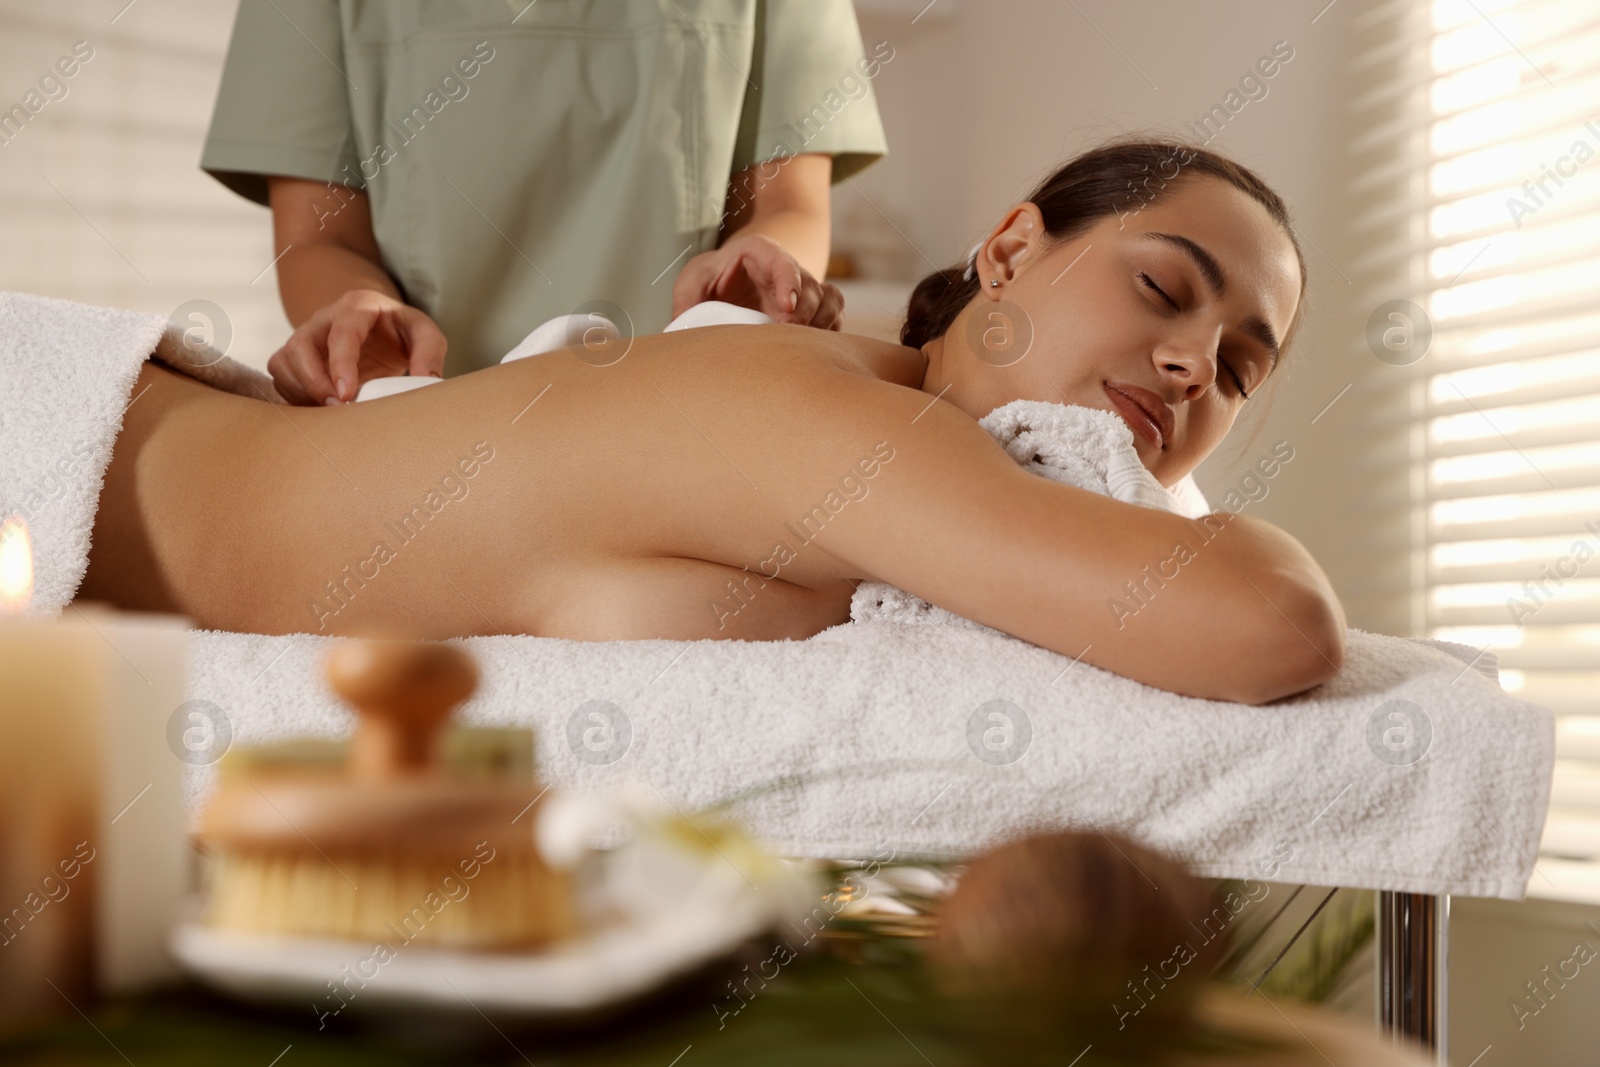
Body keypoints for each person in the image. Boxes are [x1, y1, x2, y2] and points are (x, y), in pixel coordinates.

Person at [79, 140, 1344, 705]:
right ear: (1009, 248)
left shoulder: (907, 486)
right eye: (1163, 289)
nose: (1193, 364)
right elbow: (1270, 622)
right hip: (57, 448)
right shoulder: (849, 425)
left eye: (1240, 367)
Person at [200, 0, 891, 405]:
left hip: (690, 421)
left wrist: (771, 273)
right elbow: (321, 240)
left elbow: (788, 209)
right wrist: (359, 313)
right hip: (419, 433)